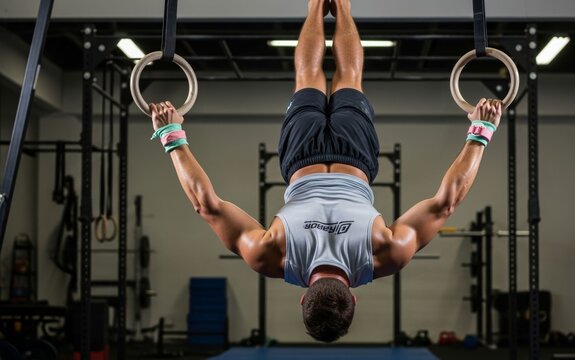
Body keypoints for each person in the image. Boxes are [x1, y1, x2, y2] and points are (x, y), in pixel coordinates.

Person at [148, 0, 502, 343]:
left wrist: (482, 129)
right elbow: (206, 205)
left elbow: (446, 203)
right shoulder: (272, 256)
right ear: (303, 299)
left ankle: (343, 6)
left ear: (355, 300)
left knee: (350, 75)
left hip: (355, 159)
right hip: (302, 159)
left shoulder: (385, 254)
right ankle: (318, 4)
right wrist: (171, 134)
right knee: (307, 76)